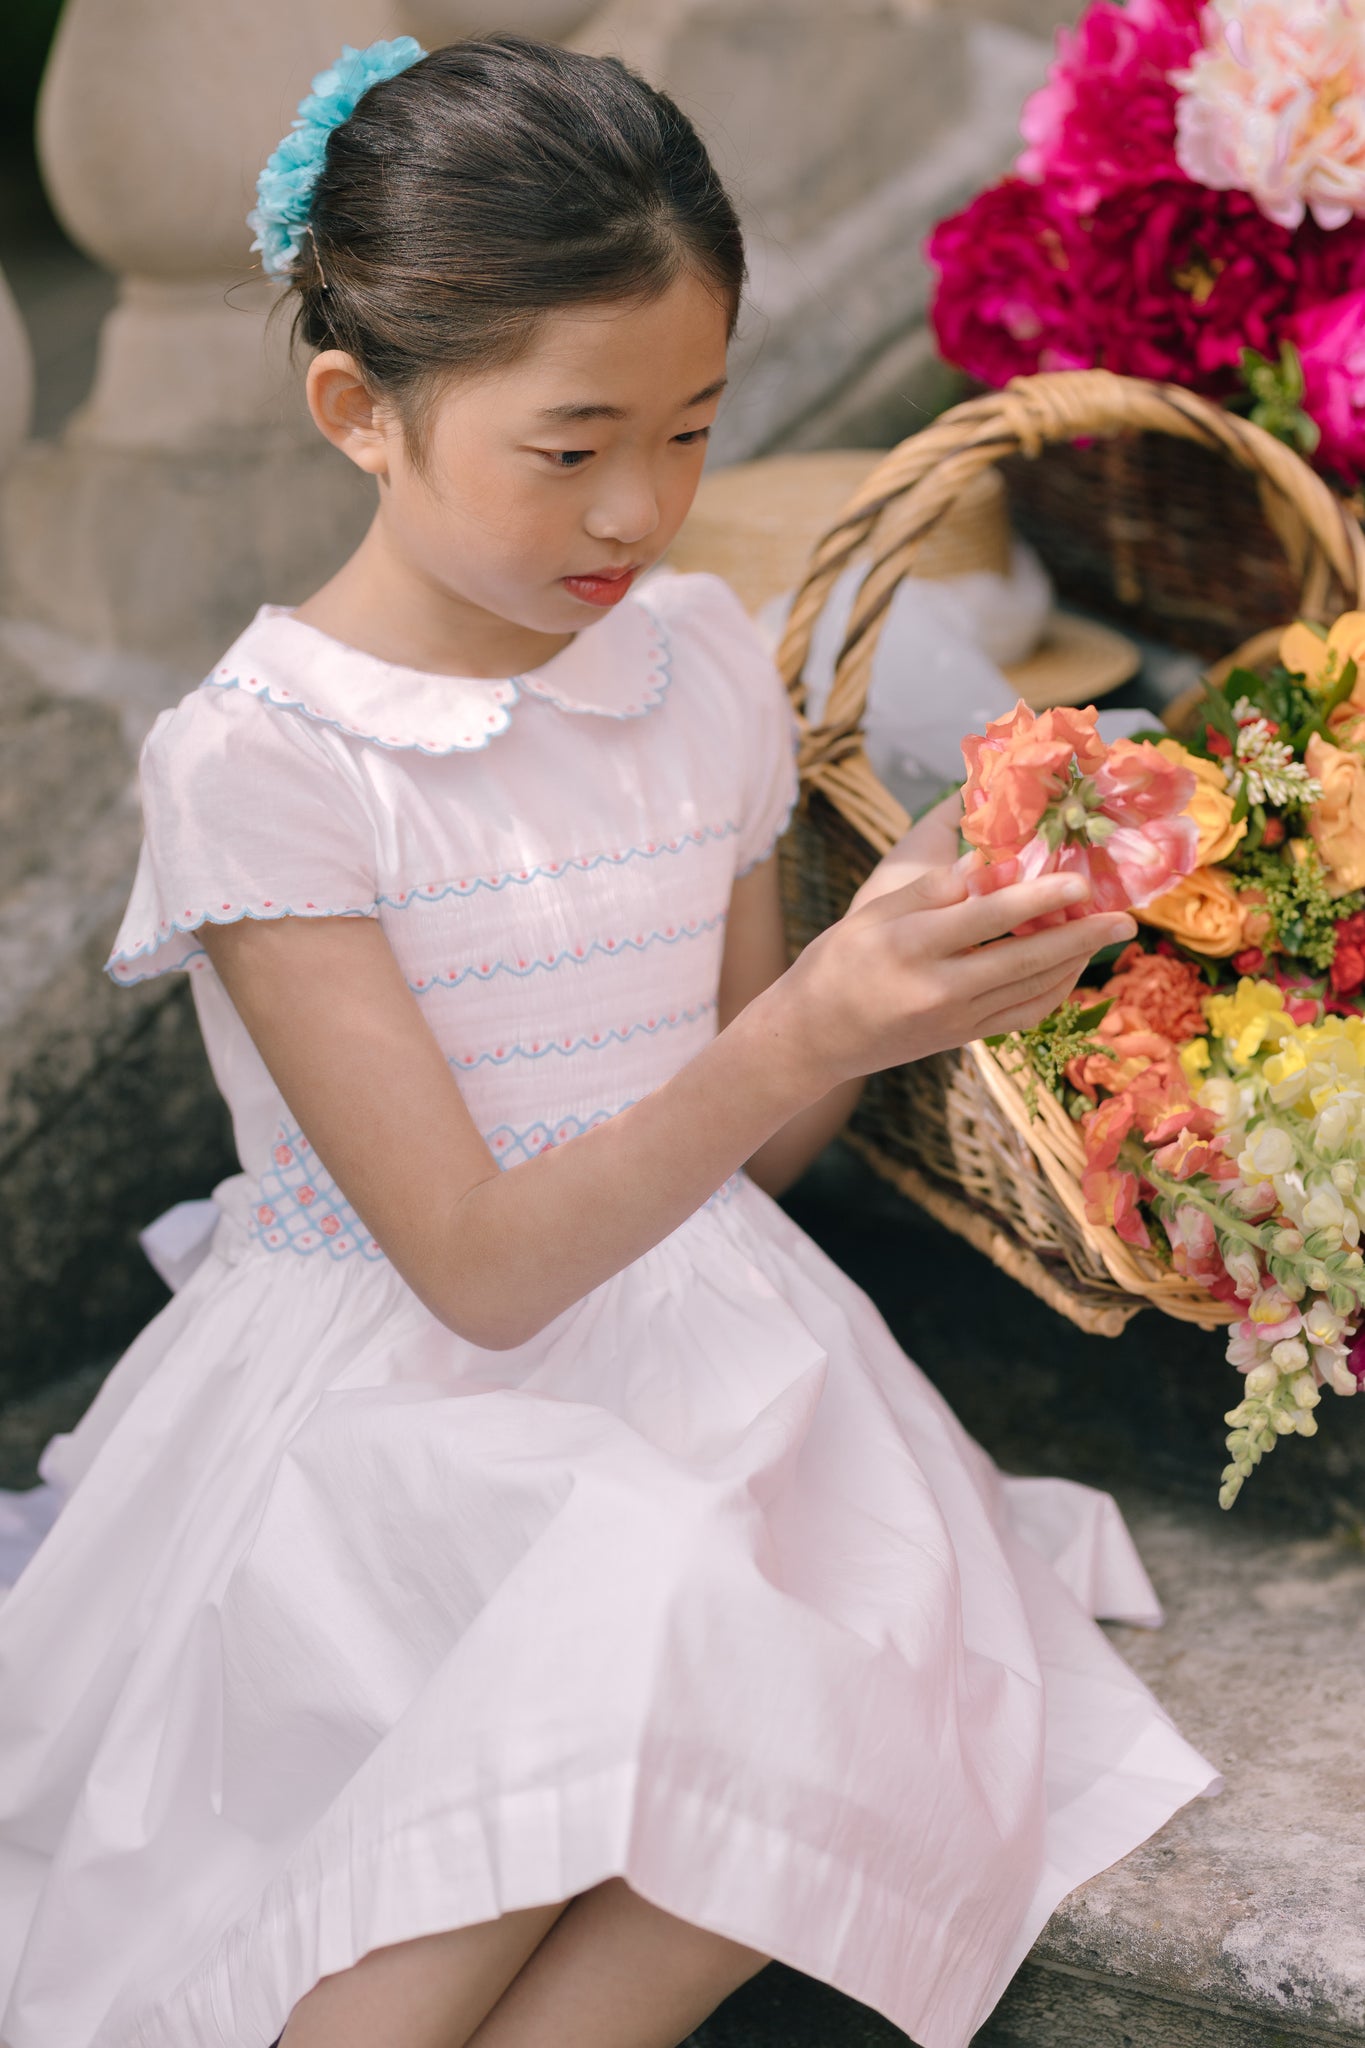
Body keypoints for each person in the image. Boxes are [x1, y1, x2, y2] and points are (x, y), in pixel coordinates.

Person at [0, 34, 1218, 2048]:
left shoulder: (700, 668)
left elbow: (741, 1152)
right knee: (616, 1632)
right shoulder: (269, 764)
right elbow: (475, 1269)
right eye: (566, 447)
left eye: (690, 430)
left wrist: (906, 970)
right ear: (356, 412)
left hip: (714, 1358)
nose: (638, 508)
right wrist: (814, 1018)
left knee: (747, 1694)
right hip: (386, 1408)